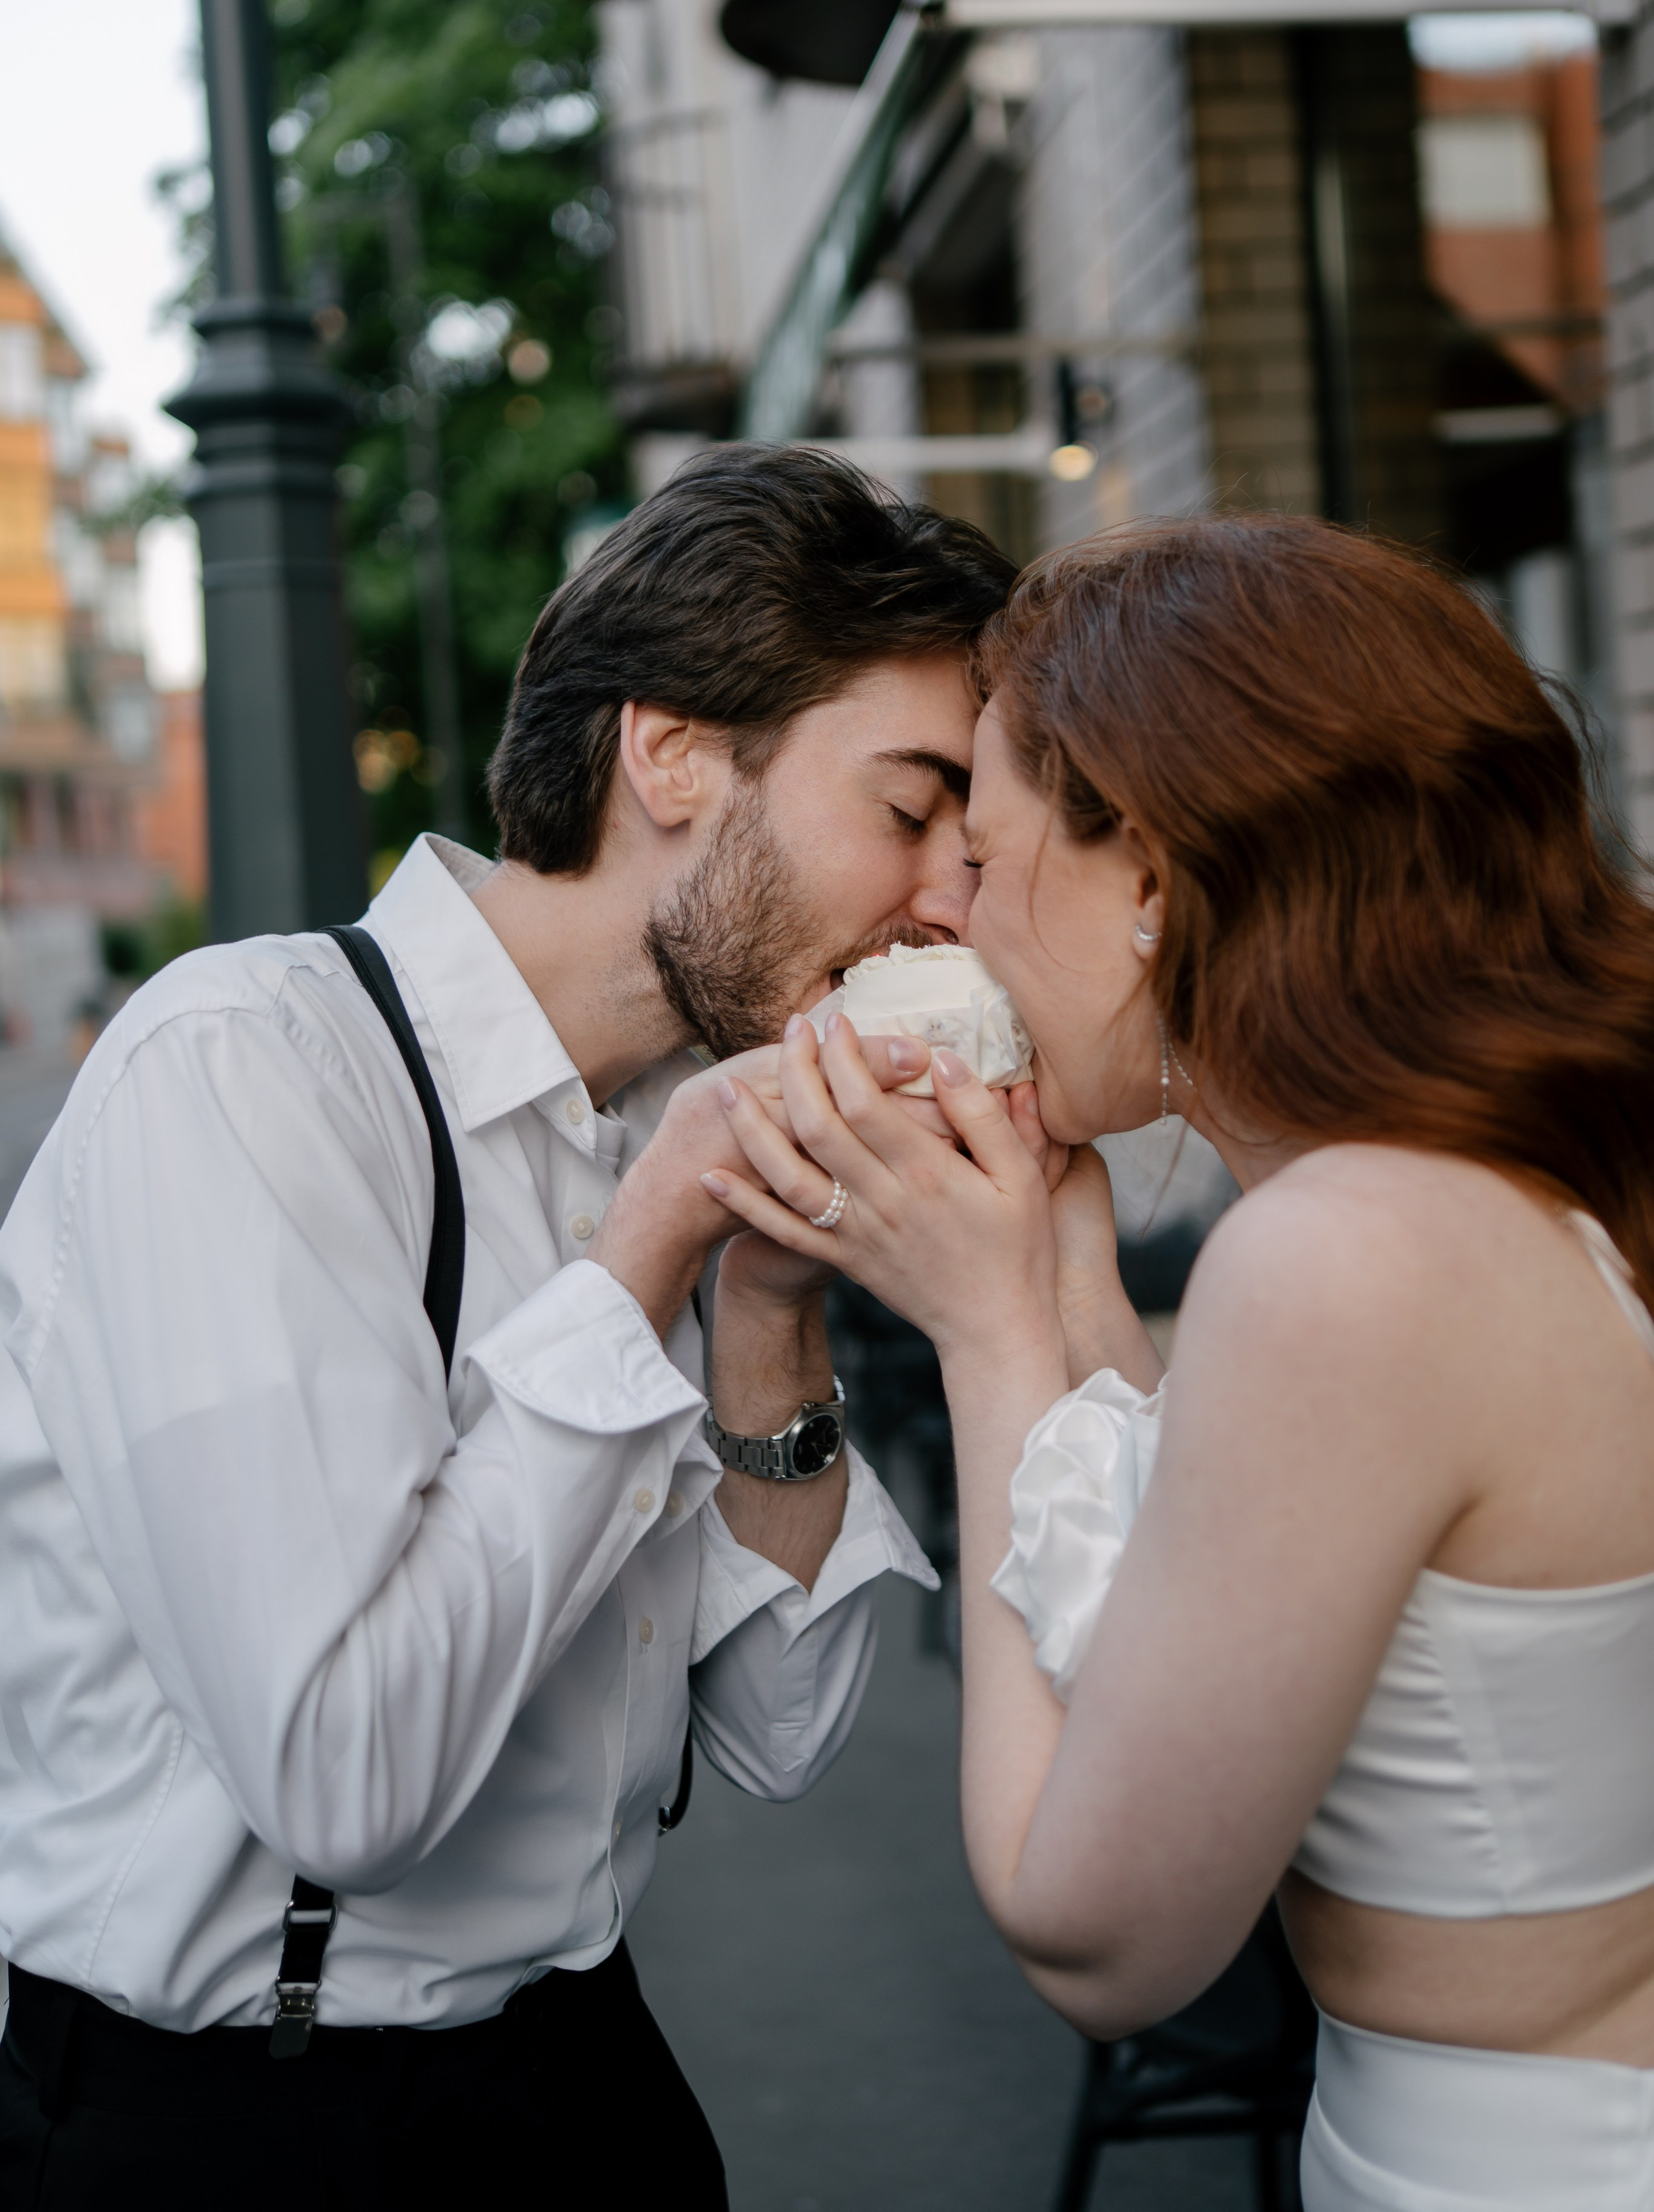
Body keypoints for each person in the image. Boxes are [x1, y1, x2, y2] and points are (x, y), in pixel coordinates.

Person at [0, 445, 1015, 2211]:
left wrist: (765, 1306)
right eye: (913, 807)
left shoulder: (679, 1121)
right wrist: (644, 1253)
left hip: (584, 2081)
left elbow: (782, 1734)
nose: (948, 901)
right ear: (674, 750)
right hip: (239, 2131)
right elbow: (350, 1779)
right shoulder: (247, 1074)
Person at [704, 512, 1654, 2212]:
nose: (951, 926)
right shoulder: (1496, 1189)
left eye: (985, 864)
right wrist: (1060, 1254)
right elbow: (1200, 1594)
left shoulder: (1344, 1254)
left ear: (1146, 876)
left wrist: (990, 1344)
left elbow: (1096, 1934)